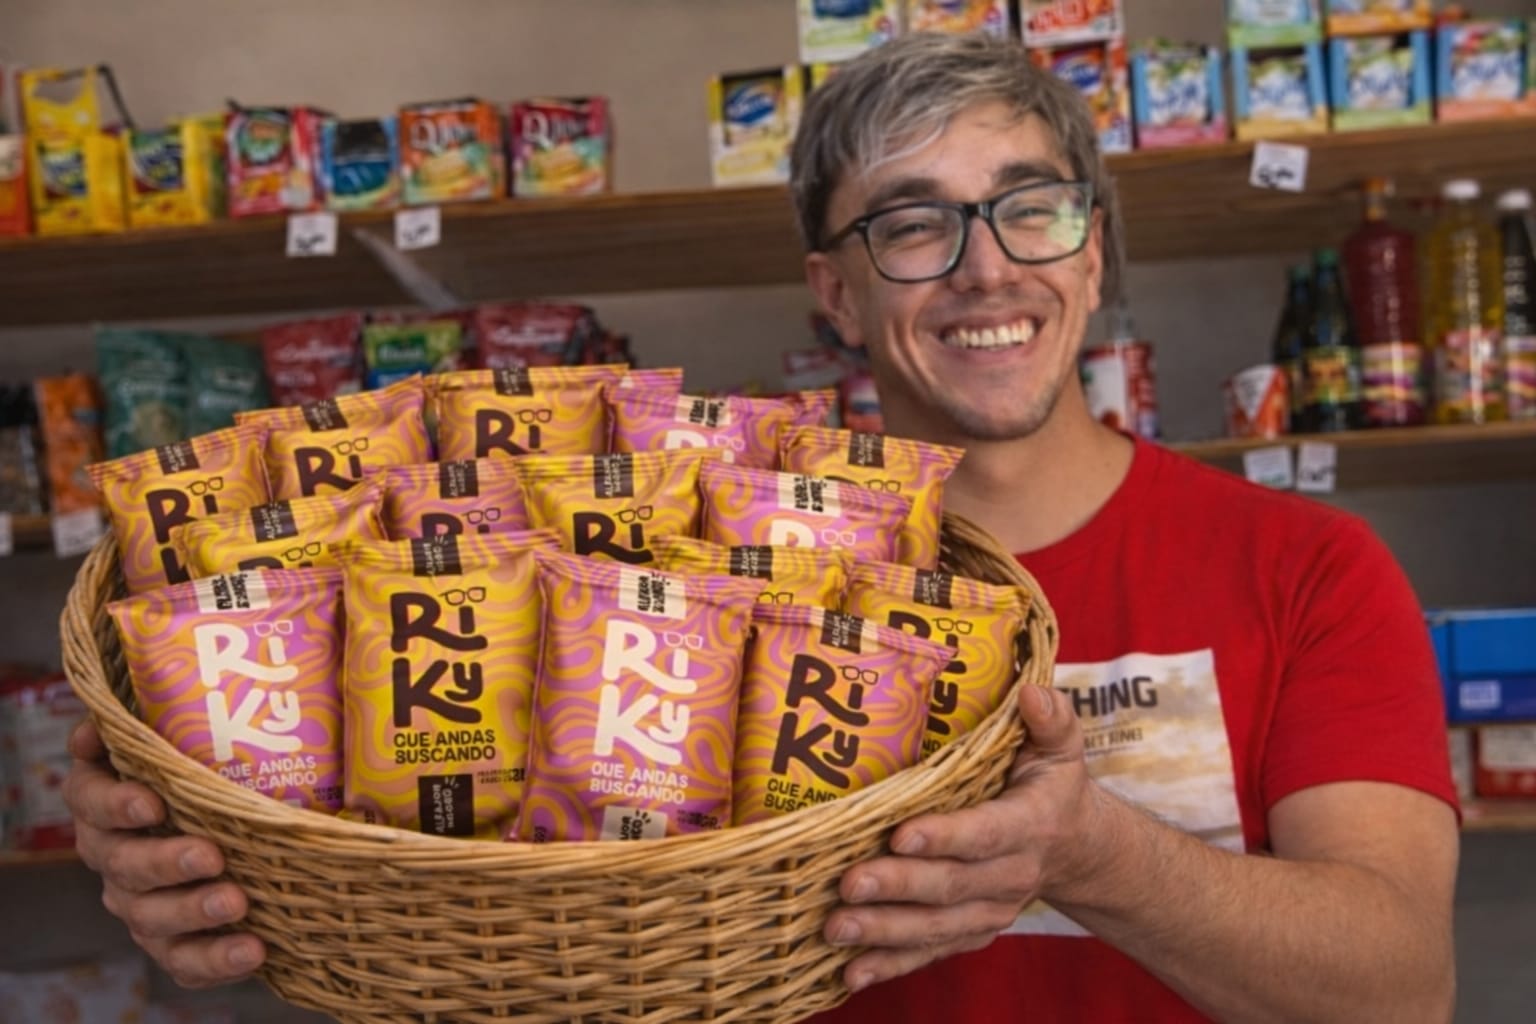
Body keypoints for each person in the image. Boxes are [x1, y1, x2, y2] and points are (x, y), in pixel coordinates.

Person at [63, 31, 1458, 1023]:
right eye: (911, 226)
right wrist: (221, 847)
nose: (986, 269)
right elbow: (513, 903)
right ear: (834, 297)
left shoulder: (1306, 567)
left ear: (1091, 250)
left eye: (1028, 210)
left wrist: (1095, 851)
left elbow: (1402, 988)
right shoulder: (656, 563)